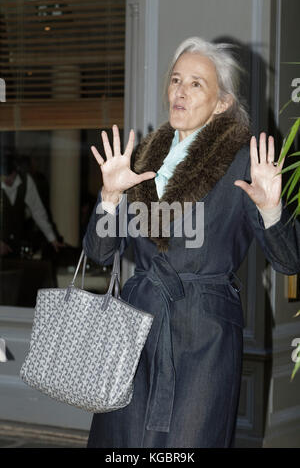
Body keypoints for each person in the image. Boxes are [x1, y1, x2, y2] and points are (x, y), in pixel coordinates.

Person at [83, 37, 300, 448]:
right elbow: (98, 253)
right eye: (176, 80)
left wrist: (272, 209)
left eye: (196, 83)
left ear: (222, 103)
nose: (180, 91)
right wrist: (110, 196)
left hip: (206, 336)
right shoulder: (141, 159)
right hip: (135, 330)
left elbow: (289, 261)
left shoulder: (243, 162)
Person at [0, 154, 63, 257]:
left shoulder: (26, 181)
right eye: (5, 178)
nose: (8, 182)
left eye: (10, 178)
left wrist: (52, 238)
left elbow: (38, 211)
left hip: (16, 241)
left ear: (15, 172)